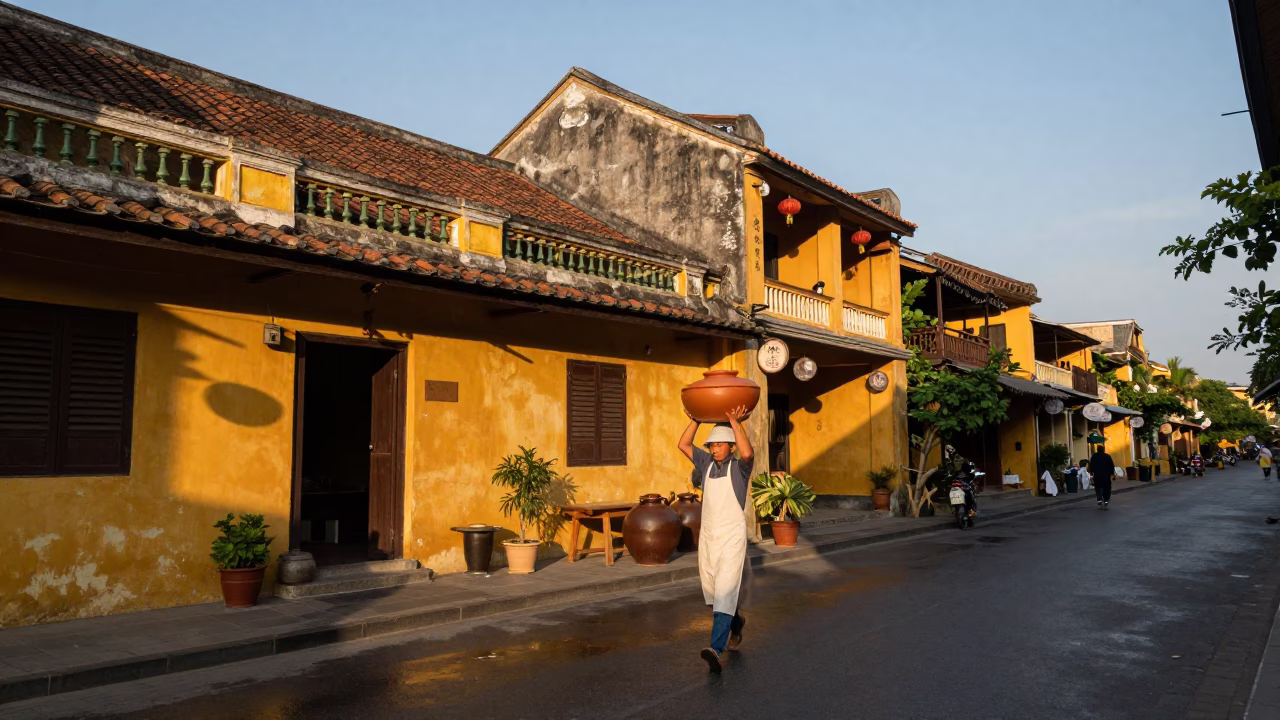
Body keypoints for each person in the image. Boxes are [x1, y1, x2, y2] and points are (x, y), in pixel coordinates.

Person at [677, 405, 753, 673]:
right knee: (714, 593)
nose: (715, 449)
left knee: (725, 591)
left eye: (720, 445)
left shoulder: (740, 468)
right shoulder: (706, 463)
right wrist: (696, 420)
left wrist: (735, 423)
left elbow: (748, 453)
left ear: (731, 446)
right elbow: (683, 444)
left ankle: (715, 649)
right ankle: (736, 624)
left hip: (732, 537)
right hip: (709, 537)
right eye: (712, 445)